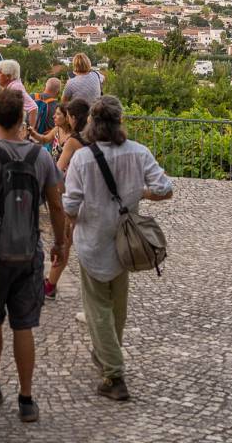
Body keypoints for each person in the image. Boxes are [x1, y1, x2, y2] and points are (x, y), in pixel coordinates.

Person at [0, 88, 66, 424]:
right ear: (23, 118)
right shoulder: (42, 157)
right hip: (29, 250)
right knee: (24, 326)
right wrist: (60, 244)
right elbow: (57, 204)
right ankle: (26, 399)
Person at [62, 96, 173, 401]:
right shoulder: (138, 152)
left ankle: (114, 374)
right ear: (120, 121)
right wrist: (137, 195)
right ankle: (107, 355)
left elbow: (70, 205)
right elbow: (165, 189)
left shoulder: (82, 160)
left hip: (93, 240)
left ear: (92, 124)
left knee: (97, 307)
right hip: (126, 241)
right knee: (118, 306)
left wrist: (68, 230)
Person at [43, 98, 92, 300]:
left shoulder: (73, 140)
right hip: (94, 196)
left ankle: (50, 285)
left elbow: (58, 170)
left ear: (72, 118)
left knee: (64, 243)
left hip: (73, 195)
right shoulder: (97, 138)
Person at [0, 59, 38, 130]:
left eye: (0, 72)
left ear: (8, 76)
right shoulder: (11, 86)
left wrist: (31, 132)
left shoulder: (15, 87)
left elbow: (33, 108)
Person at [26, 78, 62, 147]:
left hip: (26, 138)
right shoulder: (56, 107)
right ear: (58, 91)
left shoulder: (31, 96)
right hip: (41, 144)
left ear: (45, 87)